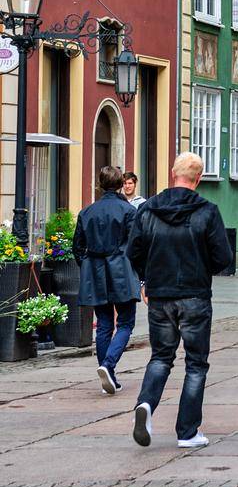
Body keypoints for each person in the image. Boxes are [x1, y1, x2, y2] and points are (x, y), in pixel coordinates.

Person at [126, 154, 233, 449]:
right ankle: (187, 432)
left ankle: (146, 405)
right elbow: (223, 258)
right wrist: (201, 267)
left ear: (173, 173)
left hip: (160, 296)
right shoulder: (207, 211)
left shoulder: (148, 210)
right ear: (198, 179)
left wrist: (146, 279)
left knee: (161, 357)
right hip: (195, 296)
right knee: (196, 364)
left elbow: (134, 251)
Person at [73, 163, 140, 396]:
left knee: (103, 324)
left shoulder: (86, 212)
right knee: (125, 322)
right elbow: (136, 245)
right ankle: (108, 365)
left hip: (96, 271)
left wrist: (89, 265)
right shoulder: (129, 211)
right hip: (121, 270)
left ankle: (107, 373)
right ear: (121, 184)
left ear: (100, 185)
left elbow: (78, 248)